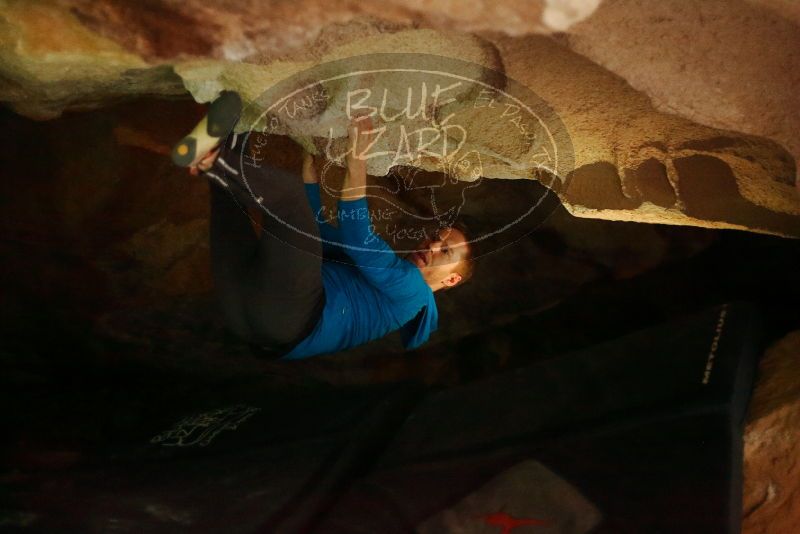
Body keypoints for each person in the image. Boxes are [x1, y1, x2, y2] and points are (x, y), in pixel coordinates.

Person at [173, 93, 474, 359]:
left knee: (286, 197)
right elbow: (316, 237)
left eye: (445, 251)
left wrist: (359, 157)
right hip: (247, 319)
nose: (432, 245)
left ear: (451, 280)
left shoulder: (413, 294)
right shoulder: (389, 283)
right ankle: (226, 121)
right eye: (436, 237)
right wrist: (311, 183)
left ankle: (211, 154)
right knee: (229, 195)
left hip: (293, 316)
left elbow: (359, 237)